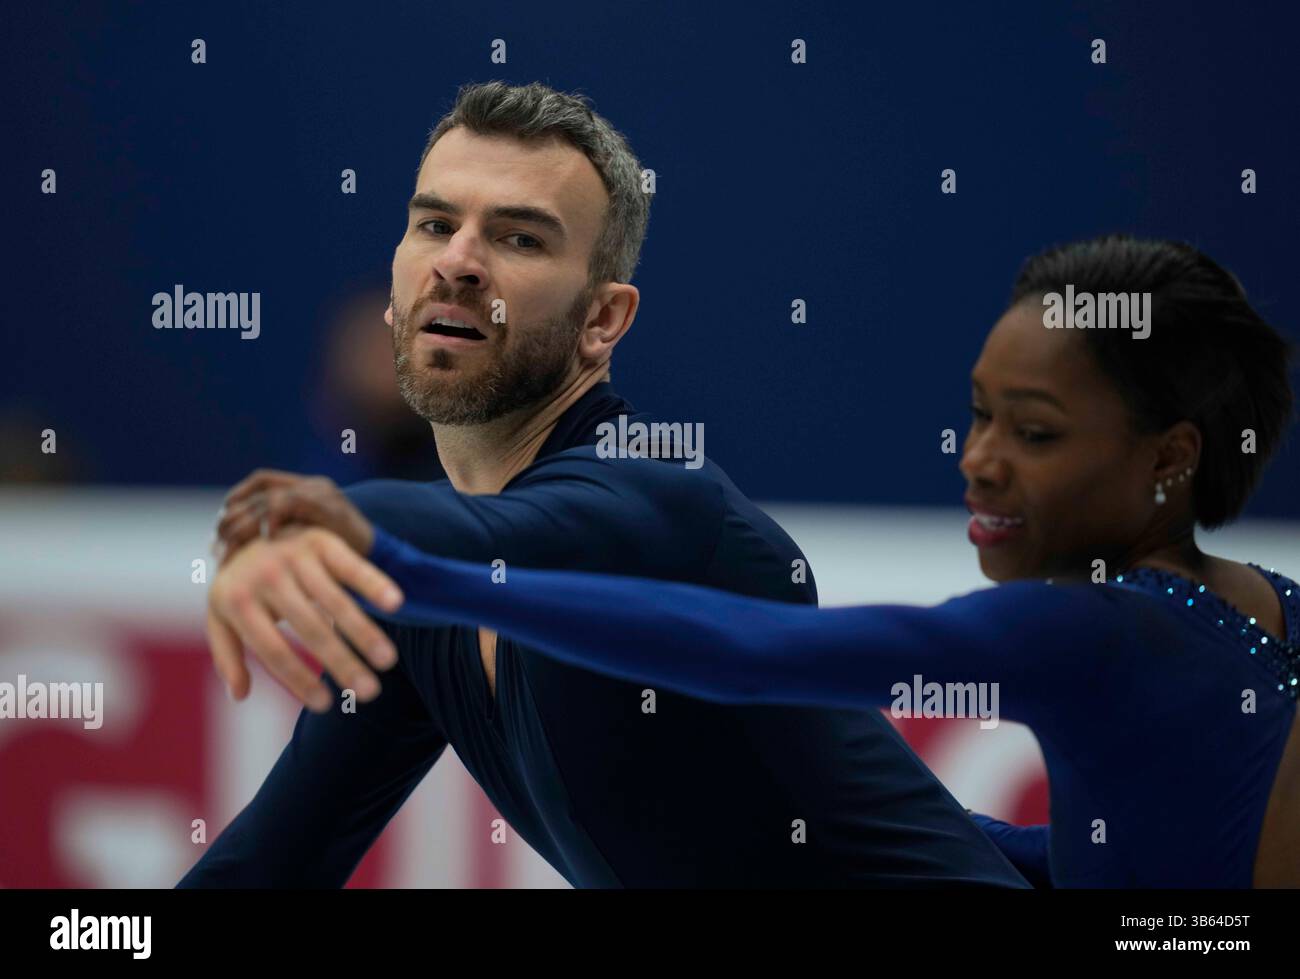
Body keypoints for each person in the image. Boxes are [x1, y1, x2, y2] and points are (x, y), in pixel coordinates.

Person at [179, 80, 1026, 888]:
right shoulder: (420, 606)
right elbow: (266, 866)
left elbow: (499, 536)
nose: (460, 262)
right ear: (395, 295)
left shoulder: (661, 506)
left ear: (603, 320)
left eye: (520, 238)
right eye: (435, 224)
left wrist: (320, 522)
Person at [268, 236, 1300, 887]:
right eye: (978, 417)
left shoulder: (1088, 627)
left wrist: (420, 568)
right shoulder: (1269, 610)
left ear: (1169, 458)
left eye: (1033, 433)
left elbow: (741, 648)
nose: (977, 463)